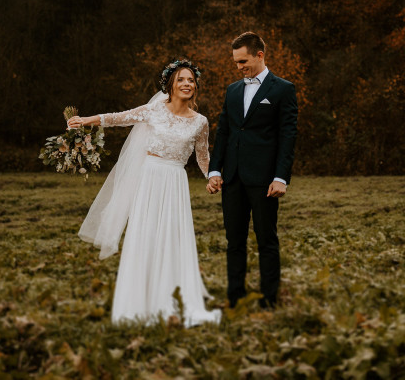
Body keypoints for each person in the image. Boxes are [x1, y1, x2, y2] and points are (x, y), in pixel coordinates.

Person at [67, 60, 221, 327]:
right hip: (149, 179)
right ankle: (139, 300)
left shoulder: (200, 122)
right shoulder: (154, 110)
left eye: (191, 80)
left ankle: (172, 299)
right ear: (170, 85)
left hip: (175, 181)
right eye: (181, 79)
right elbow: (119, 118)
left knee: (172, 237)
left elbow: (203, 157)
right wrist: (86, 121)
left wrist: (213, 176)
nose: (187, 84)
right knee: (145, 235)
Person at [206, 32, 298, 309]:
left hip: (265, 180)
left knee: (266, 240)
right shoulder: (233, 90)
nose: (239, 67)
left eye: (243, 61)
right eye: (236, 62)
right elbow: (223, 132)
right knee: (234, 241)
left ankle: (269, 301)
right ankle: (235, 299)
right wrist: (214, 170)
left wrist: (281, 177)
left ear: (260, 55)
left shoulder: (283, 89)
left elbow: (288, 136)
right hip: (233, 178)